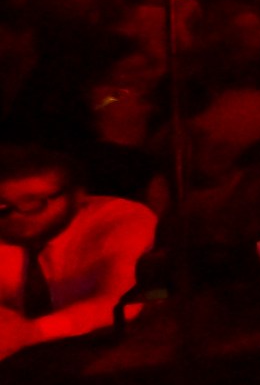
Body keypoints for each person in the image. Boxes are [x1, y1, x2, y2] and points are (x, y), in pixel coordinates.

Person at [0, 141, 157, 372]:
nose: (16, 216)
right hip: (26, 369)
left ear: (78, 196)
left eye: (33, 202)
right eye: (4, 206)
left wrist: (32, 332)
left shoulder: (120, 219)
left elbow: (124, 301)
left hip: (118, 354)